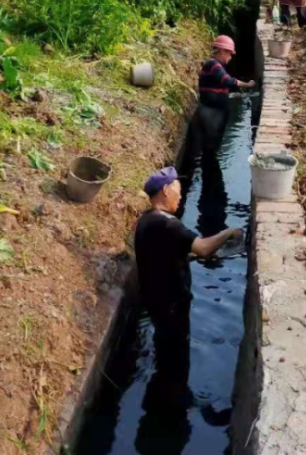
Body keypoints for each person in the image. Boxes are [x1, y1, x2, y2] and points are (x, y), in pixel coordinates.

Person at [133, 166, 241, 455]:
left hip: (157, 302)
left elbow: (166, 255)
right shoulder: (168, 225)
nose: (180, 198)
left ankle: (165, 398)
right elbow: (204, 248)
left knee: (165, 349)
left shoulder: (147, 221)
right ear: (165, 191)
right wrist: (228, 232)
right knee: (176, 359)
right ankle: (172, 409)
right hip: (170, 305)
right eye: (178, 193)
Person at [190, 35, 255, 158]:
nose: (230, 57)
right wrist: (247, 84)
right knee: (209, 149)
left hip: (215, 112)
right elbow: (227, 80)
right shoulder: (213, 65)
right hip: (212, 113)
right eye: (229, 54)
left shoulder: (215, 65)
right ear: (221, 51)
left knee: (212, 148)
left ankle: (210, 165)